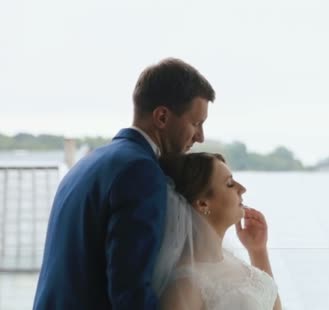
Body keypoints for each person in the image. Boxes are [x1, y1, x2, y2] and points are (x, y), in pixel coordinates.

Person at [33, 58, 215, 309]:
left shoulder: (89, 163)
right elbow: (130, 290)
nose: (201, 137)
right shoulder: (140, 172)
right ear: (162, 117)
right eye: (196, 123)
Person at [155, 152, 282, 310]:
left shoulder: (229, 258)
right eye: (229, 184)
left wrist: (258, 250)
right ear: (203, 204)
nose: (242, 189)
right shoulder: (185, 285)